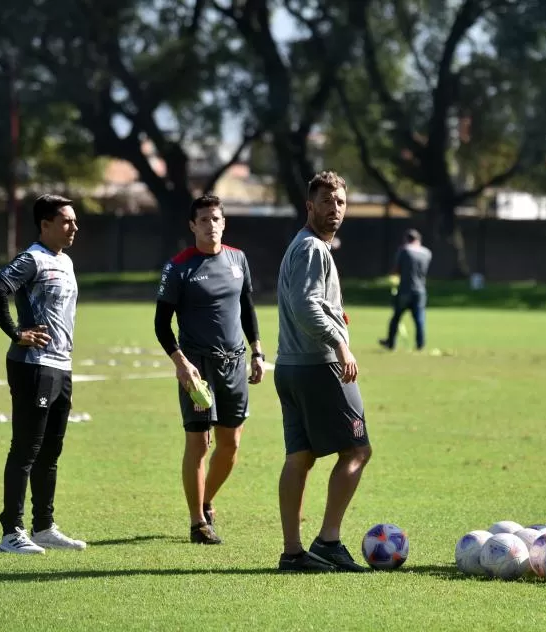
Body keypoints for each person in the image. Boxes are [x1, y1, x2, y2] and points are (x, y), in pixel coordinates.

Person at [274, 170, 373, 572]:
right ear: (309, 206)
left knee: (299, 456)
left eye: (341, 202)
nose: (335, 209)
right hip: (319, 366)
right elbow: (306, 306)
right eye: (327, 201)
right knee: (357, 450)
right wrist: (340, 343)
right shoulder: (313, 248)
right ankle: (328, 541)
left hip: (290, 367)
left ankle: (293, 552)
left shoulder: (301, 246)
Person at [154, 194, 265, 545]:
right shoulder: (179, 267)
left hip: (234, 362)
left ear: (223, 222)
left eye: (216, 219)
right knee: (199, 442)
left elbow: (247, 308)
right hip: (197, 368)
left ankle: (205, 498)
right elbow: (161, 324)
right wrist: (181, 363)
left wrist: (257, 350)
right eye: (204, 220)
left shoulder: (238, 260)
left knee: (230, 445)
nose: (211, 225)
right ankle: (197, 522)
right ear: (193, 226)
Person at [0, 194, 86, 554]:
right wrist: (16, 332)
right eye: (67, 221)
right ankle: (11, 531)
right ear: (45, 225)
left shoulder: (66, 261)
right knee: (26, 448)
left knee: (50, 451)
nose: (74, 226)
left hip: (61, 367)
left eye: (74, 221)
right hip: (33, 366)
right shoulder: (32, 259)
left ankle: (43, 526)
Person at [379, 228, 432, 351]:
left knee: (396, 317)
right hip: (420, 290)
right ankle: (420, 343)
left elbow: (396, 270)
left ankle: (391, 342)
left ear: (407, 239)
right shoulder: (427, 253)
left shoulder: (405, 250)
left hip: (405, 290)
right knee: (419, 318)